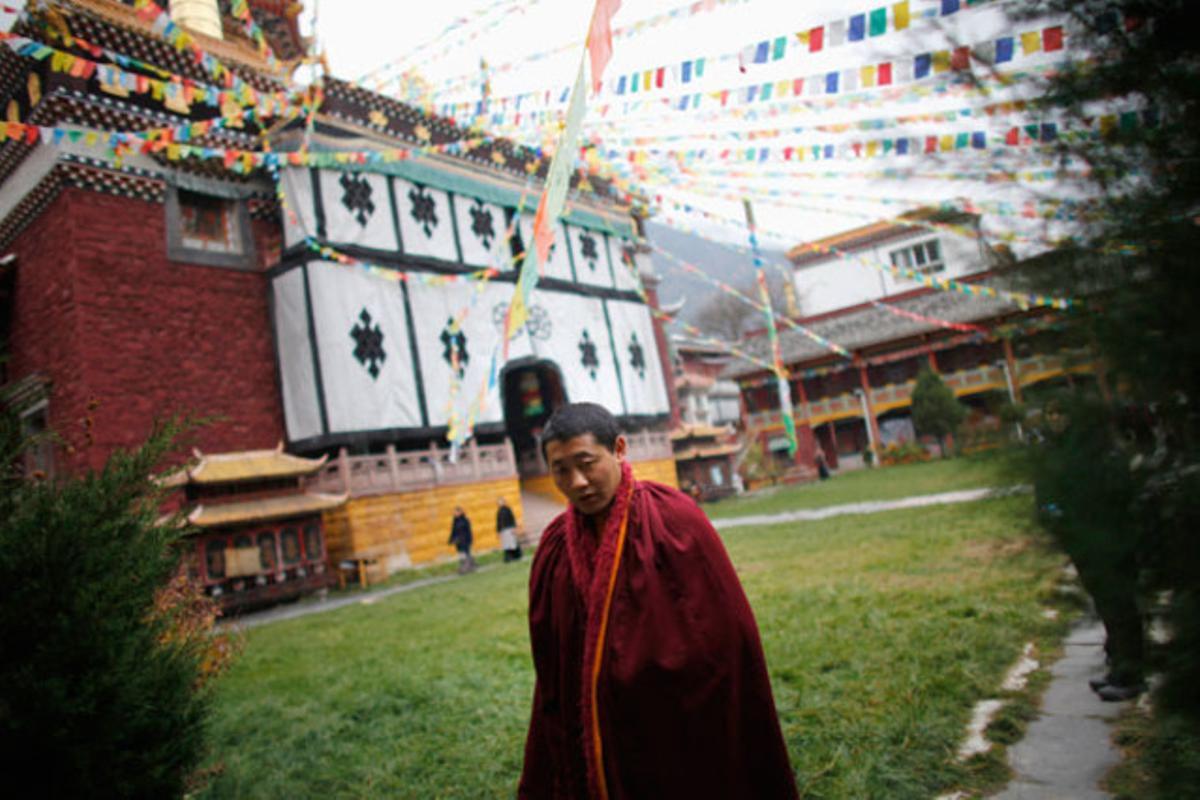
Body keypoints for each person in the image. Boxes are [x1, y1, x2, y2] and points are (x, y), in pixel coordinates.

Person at [518, 403, 798, 799]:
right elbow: (554, 658)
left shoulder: (673, 520)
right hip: (593, 725)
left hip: (672, 718)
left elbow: (726, 638)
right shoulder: (554, 548)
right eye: (561, 470)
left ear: (618, 448)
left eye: (587, 463)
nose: (578, 482)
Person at [448, 506, 476, 574]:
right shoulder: (455, 521)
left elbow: (469, 530)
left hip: (465, 539)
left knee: (467, 553)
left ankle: (468, 567)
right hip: (458, 540)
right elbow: (453, 531)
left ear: (460, 512)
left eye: (456, 512)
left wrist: (470, 539)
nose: (455, 513)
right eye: (454, 512)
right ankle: (463, 567)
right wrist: (451, 539)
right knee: (461, 554)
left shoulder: (465, 520)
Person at [497, 496, 522, 562]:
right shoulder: (499, 512)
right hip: (503, 530)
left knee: (512, 543)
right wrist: (498, 531)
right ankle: (508, 557)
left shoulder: (508, 509)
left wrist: (514, 527)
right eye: (499, 502)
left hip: (509, 528)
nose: (500, 503)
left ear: (504, 502)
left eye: (501, 501)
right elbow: (498, 522)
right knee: (506, 544)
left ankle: (516, 556)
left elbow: (512, 518)